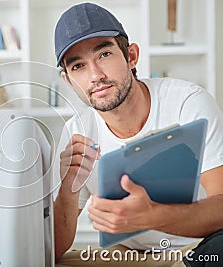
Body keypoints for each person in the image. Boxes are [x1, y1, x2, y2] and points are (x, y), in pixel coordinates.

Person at [52, 2, 223, 266]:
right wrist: (68, 189)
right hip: (127, 256)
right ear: (68, 82)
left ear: (131, 56)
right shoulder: (75, 132)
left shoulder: (187, 102)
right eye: (78, 67)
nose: (95, 75)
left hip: (196, 247)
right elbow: (54, 248)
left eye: (104, 54)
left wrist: (153, 215)